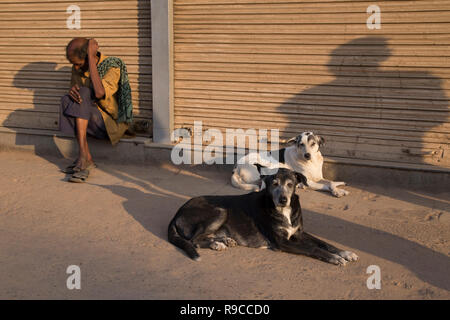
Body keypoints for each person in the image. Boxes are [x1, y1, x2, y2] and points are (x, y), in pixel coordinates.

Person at [60, 37, 133, 182]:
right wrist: (72, 91)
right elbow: (78, 97)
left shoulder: (112, 66)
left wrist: (92, 60)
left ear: (88, 57)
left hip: (110, 124)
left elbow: (99, 93)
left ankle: (83, 157)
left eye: (77, 63)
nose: (75, 68)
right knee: (67, 99)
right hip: (89, 118)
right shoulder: (78, 68)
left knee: (85, 93)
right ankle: (87, 158)